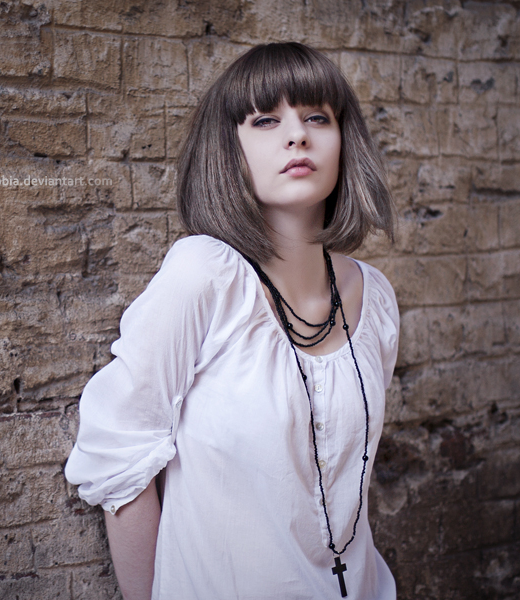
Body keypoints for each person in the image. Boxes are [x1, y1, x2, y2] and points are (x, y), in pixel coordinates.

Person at [64, 42, 399, 599]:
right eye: (266, 120)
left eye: (318, 117)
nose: (297, 135)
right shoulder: (205, 275)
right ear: (229, 149)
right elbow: (117, 454)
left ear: (345, 140)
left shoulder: (376, 298)